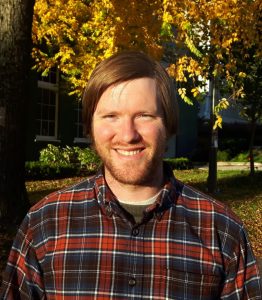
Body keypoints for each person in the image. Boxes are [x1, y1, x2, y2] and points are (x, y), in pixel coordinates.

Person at [0, 51, 261, 299]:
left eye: (145, 116)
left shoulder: (222, 231)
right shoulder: (45, 224)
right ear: (90, 125)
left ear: (168, 124)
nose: (128, 135)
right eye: (111, 116)